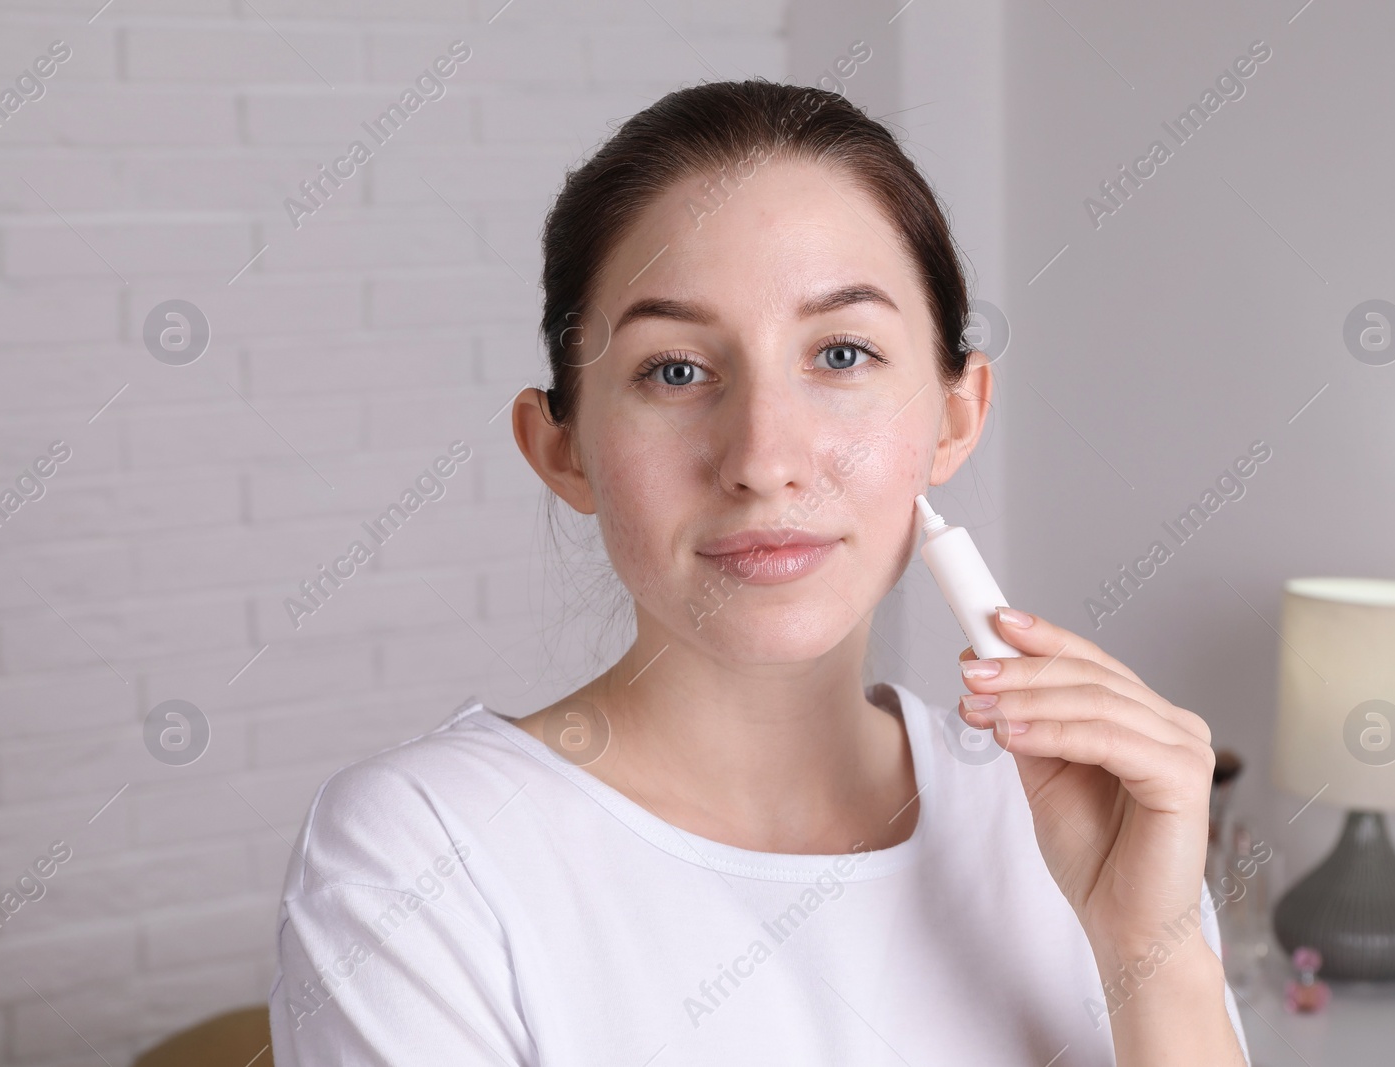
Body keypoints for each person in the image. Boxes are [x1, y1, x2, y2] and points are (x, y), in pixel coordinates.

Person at [268, 78, 1251, 1066]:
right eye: (676, 370)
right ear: (562, 448)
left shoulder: (1080, 820)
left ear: (953, 416)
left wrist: (1151, 951)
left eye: (840, 352)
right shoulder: (422, 857)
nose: (763, 455)